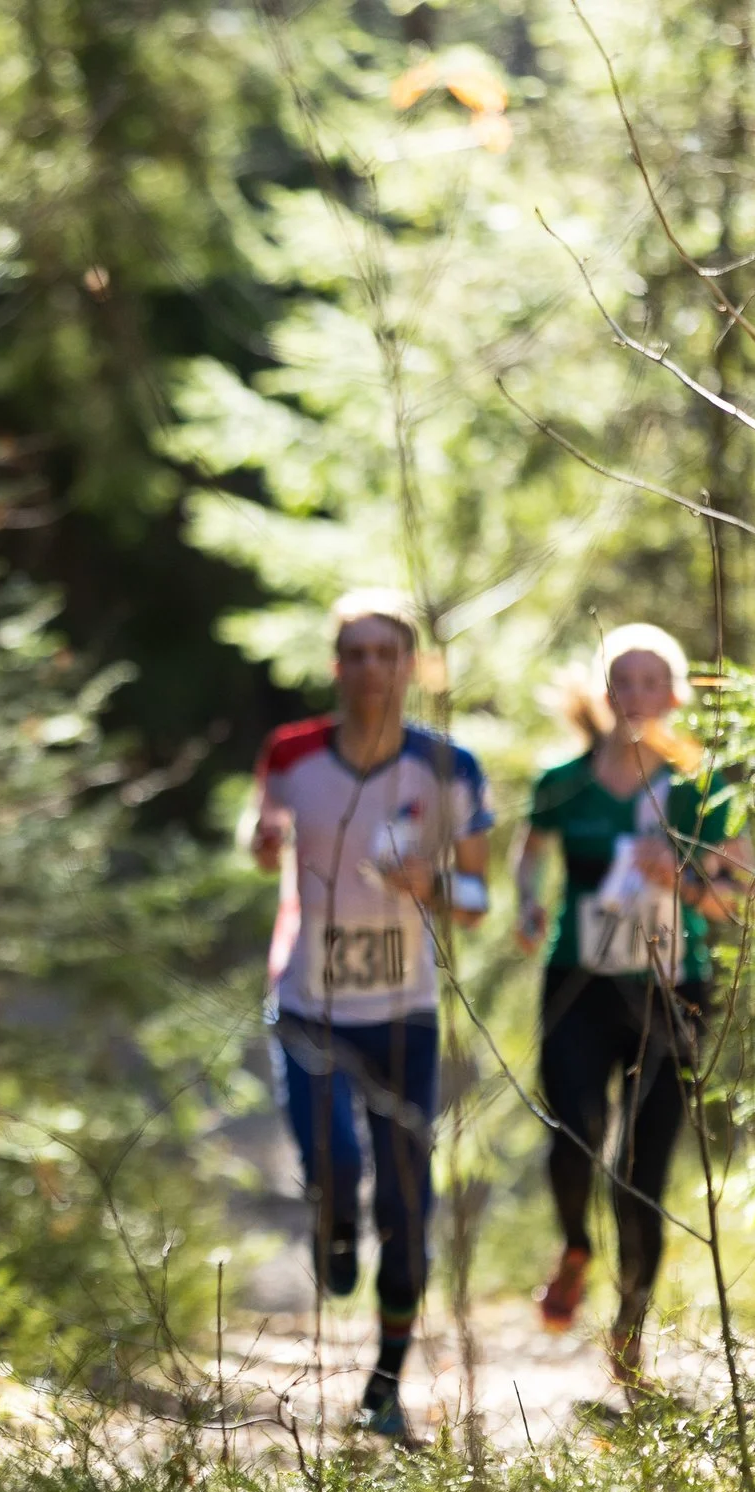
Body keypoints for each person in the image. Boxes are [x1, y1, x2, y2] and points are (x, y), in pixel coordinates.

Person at [249, 590, 492, 1441]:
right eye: (354, 653)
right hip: (309, 1000)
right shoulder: (291, 752)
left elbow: (477, 897)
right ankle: (329, 1216)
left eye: (387, 653)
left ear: (411, 666)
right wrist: (265, 841)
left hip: (403, 1012)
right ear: (335, 666)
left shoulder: (448, 766)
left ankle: (386, 1384)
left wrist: (434, 885)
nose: (370, 669)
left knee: (406, 1199)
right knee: (333, 1160)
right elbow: (265, 828)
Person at [512, 623, 753, 1399]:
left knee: (642, 1171)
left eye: (653, 682)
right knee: (573, 1129)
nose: (638, 695)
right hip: (577, 985)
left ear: (675, 696)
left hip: (670, 989)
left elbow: (736, 898)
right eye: (624, 680)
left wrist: (681, 880)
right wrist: (525, 906)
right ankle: (577, 1245)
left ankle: (630, 1327)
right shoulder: (564, 779)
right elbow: (530, 854)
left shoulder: (704, 788)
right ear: (604, 692)